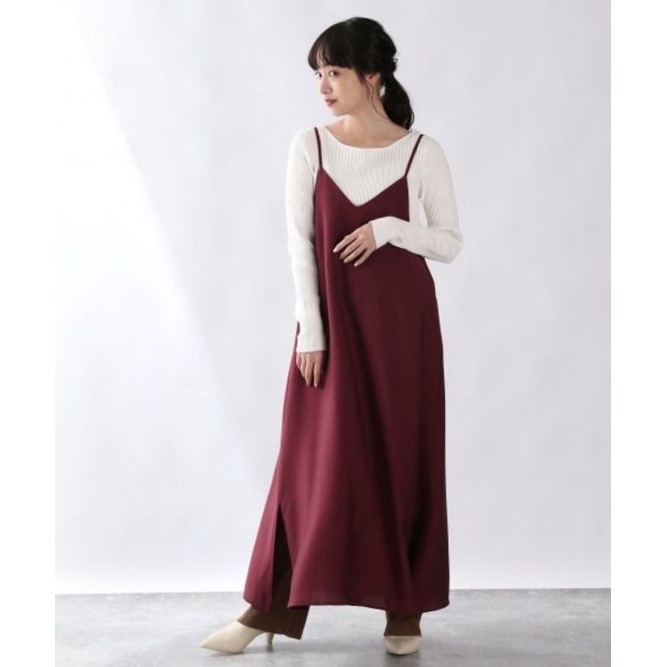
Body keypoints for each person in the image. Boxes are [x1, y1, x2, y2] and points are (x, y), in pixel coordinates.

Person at [201, 16, 463, 656]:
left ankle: (405, 607)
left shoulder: (421, 151)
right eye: (318, 73)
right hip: (331, 329)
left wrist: (388, 230)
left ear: (372, 75)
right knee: (309, 465)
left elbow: (449, 242)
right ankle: (268, 606)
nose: (322, 86)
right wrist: (311, 331)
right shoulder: (310, 145)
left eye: (334, 72)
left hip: (403, 329)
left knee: (403, 456)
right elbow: (300, 243)